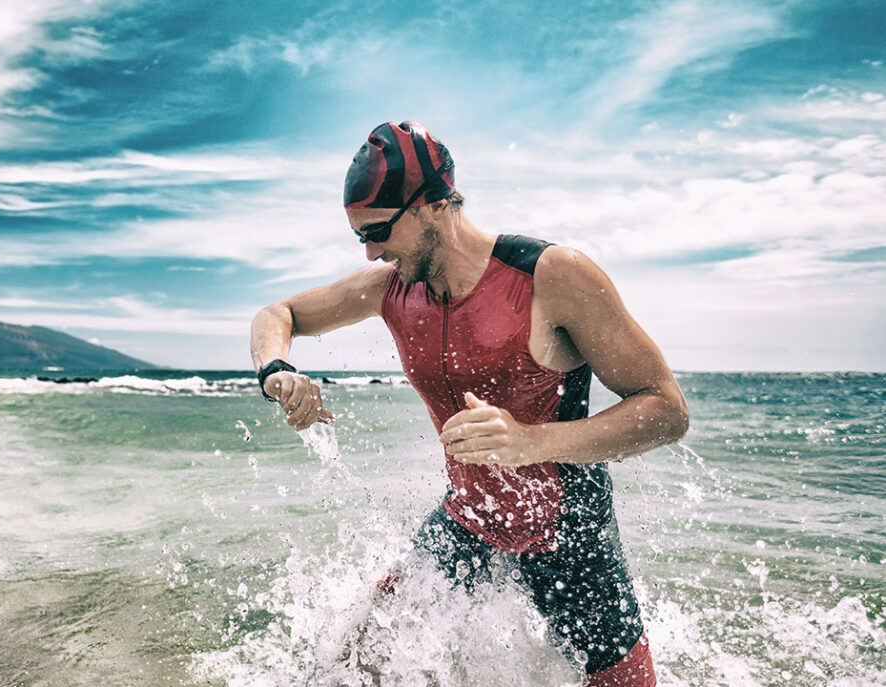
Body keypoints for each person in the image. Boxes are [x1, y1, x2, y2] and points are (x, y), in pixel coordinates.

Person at [250, 121, 689, 686]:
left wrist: (531, 442)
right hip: (470, 521)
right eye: (361, 235)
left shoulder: (551, 275)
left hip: (569, 535)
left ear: (434, 205)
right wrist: (277, 370)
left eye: (379, 230)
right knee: (357, 661)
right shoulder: (391, 288)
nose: (371, 250)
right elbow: (276, 315)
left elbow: (667, 409)